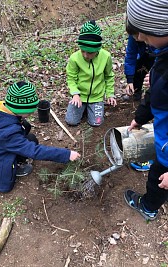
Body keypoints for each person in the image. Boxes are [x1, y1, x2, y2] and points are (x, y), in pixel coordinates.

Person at [0, 81, 81, 193]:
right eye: (29, 113)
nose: (31, 114)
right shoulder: (7, 133)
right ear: (20, 110)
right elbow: (34, 151)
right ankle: (14, 168)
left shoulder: (0, 109)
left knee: (31, 139)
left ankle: (14, 159)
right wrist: (66, 154)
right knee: (8, 180)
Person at [124, 0, 168, 221]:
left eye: (144, 34)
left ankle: (148, 206)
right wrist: (139, 118)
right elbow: (155, 93)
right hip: (164, 136)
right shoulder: (162, 57)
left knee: (158, 179)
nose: (140, 39)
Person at [65, 20, 116, 127]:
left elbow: (109, 76)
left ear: (97, 49)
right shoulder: (74, 58)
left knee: (96, 123)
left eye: (90, 52)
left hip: (96, 97)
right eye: (82, 51)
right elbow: (71, 78)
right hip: (80, 96)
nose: (85, 55)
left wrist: (110, 94)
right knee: (71, 121)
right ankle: (83, 108)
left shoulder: (106, 56)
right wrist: (75, 94)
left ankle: (90, 108)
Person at [124, 35, 155, 101]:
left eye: (136, 36)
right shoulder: (134, 35)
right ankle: (135, 91)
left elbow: (162, 59)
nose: (135, 39)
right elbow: (130, 56)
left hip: (160, 57)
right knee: (138, 67)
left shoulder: (158, 37)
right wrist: (130, 80)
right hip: (144, 54)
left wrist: (153, 73)